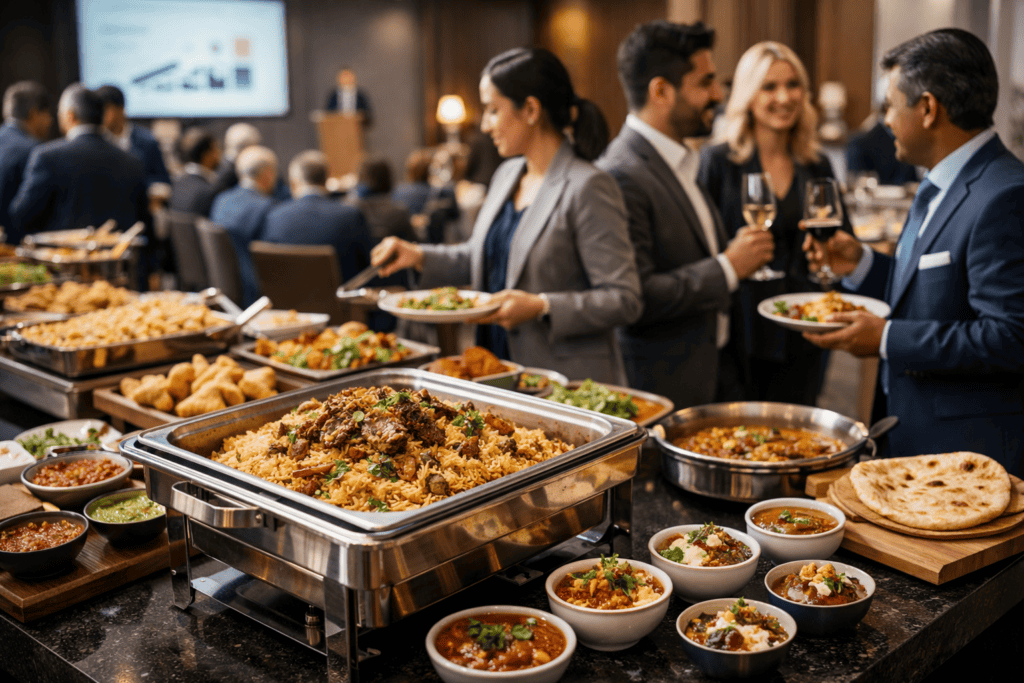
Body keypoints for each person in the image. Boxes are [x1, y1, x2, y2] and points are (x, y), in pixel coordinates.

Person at [803, 29, 1024, 476]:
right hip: (914, 438)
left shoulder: (1005, 194)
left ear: (927, 109)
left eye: (889, 105)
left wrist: (887, 339)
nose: (884, 119)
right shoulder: (937, 181)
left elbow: (1010, 337)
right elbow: (935, 294)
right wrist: (861, 264)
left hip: (966, 458)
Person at [372, 47, 642, 383]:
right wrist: (417, 256)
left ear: (530, 110)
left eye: (492, 110)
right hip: (495, 368)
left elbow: (623, 299)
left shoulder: (588, 185)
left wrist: (542, 306)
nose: (485, 125)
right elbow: (480, 256)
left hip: (562, 381)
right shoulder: (507, 174)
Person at [597, 21, 774, 409]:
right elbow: (635, 296)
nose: (718, 95)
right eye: (706, 82)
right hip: (664, 386)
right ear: (661, 91)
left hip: (715, 368)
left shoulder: (682, 158)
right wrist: (728, 267)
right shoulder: (620, 173)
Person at [698, 41, 850, 406]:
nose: (784, 97)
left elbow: (844, 241)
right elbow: (700, 247)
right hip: (739, 328)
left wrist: (828, 255)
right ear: (748, 95)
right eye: (769, 86)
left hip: (803, 326)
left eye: (792, 85)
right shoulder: (718, 162)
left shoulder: (817, 164)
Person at [9, 84, 148, 237]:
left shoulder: (46, 157)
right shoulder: (132, 161)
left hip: (61, 251)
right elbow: (144, 223)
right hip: (119, 251)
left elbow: (21, 215)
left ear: (70, 116)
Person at [263, 150, 371, 282]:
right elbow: (368, 266)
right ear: (327, 178)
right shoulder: (351, 216)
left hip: (291, 294)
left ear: (294, 182)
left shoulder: (274, 217)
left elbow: (270, 271)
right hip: (343, 293)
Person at [209, 145, 278, 306]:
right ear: (268, 173)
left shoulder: (220, 201)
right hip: (257, 295)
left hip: (223, 289)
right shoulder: (268, 209)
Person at [94, 85, 172, 203]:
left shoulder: (148, 141)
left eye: (105, 110)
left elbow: (163, 181)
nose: (101, 116)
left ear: (120, 109)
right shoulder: (96, 142)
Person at [0, 81, 51, 243]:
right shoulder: (37, 151)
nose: (50, 121)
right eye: (48, 114)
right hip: (17, 247)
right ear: (34, 113)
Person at [170, 127, 221, 217]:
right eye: (215, 149)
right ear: (206, 155)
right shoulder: (208, 191)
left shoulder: (176, 185)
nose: (219, 153)